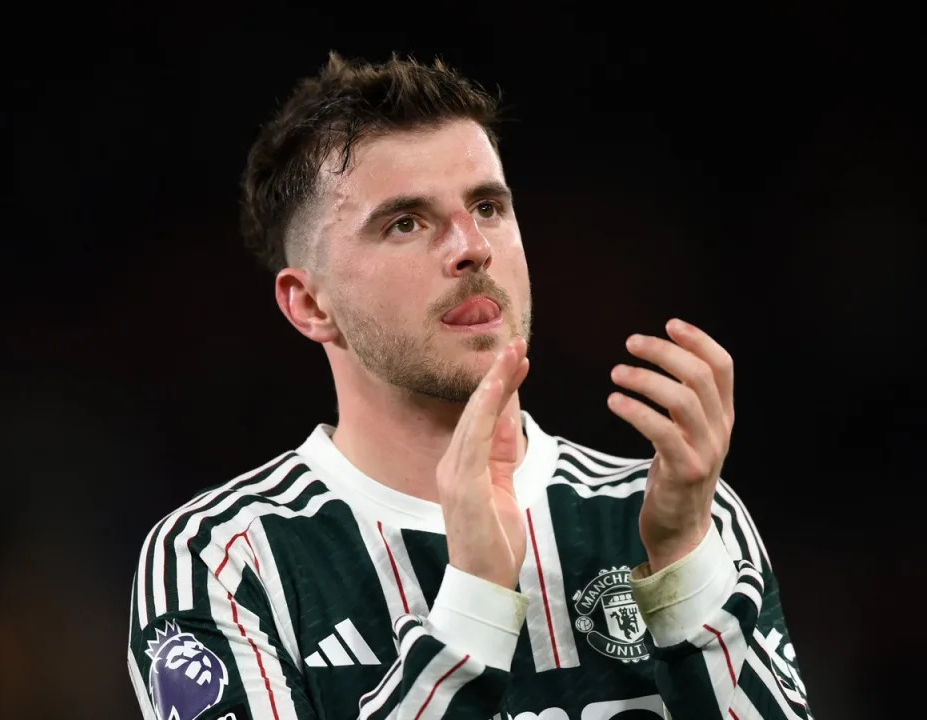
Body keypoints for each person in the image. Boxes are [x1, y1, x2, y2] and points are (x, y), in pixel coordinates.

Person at [128, 52, 813, 720]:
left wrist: (684, 568)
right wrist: (474, 606)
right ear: (310, 305)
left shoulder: (679, 514)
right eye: (405, 222)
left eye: (488, 206)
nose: (471, 247)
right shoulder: (221, 559)